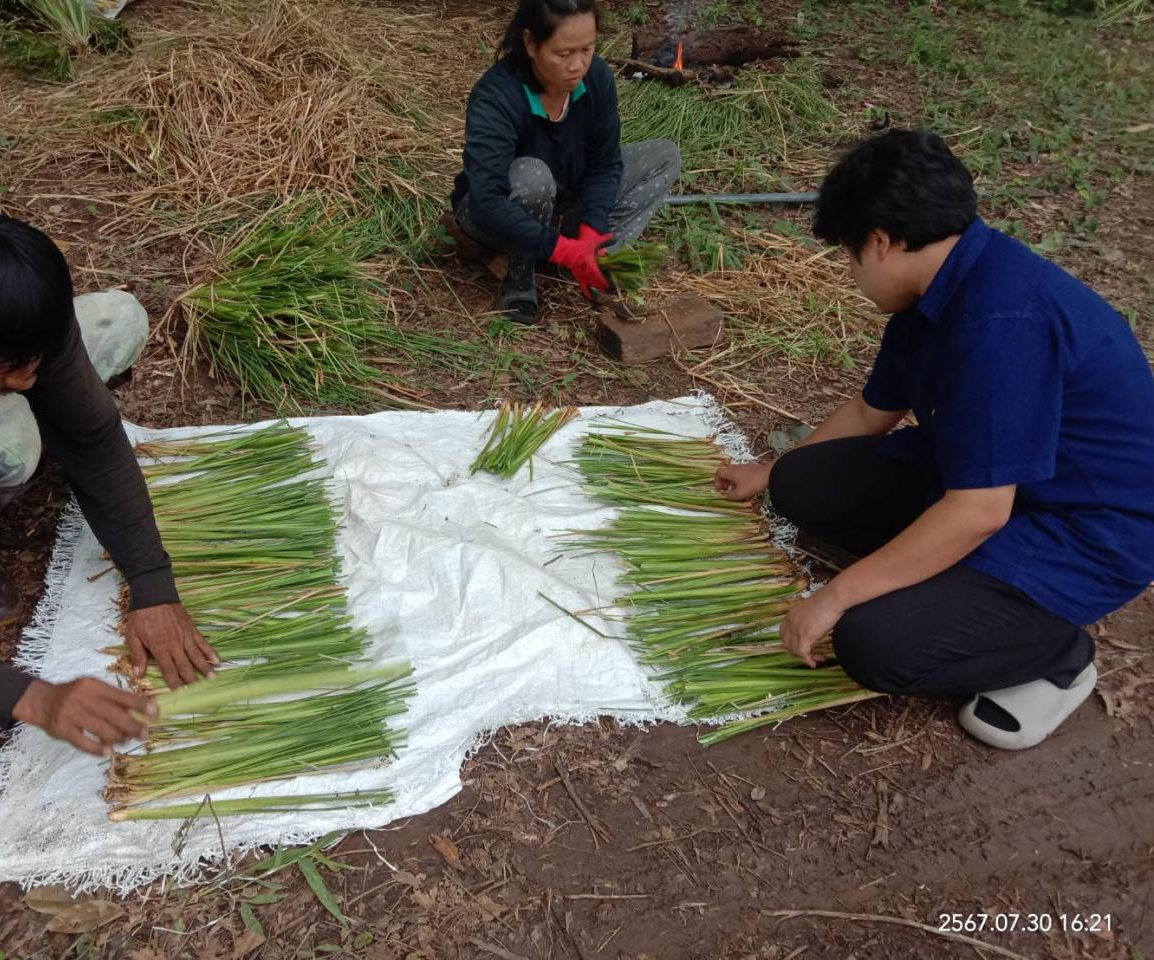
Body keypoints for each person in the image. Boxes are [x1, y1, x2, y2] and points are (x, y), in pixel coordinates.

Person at [716, 130, 1154, 750]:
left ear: (881, 242)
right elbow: (873, 410)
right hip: (990, 481)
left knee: (874, 642)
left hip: (1078, 531)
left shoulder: (1001, 322)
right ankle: (943, 576)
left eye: (849, 255)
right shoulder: (943, 285)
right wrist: (770, 468)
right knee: (801, 481)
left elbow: (980, 510)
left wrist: (835, 597)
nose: (852, 272)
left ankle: (1057, 652)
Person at [0, 215, 220, 755]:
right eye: (2, 366)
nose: (25, 382)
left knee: (117, 319)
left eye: (32, 362)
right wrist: (36, 699)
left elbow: (93, 437)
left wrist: (152, 583)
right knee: (5, 438)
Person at [450, 0, 680, 324]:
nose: (578, 65)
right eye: (563, 54)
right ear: (531, 43)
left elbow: (605, 164)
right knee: (533, 177)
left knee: (663, 156)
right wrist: (562, 249)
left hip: (564, 203)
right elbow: (488, 200)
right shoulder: (497, 96)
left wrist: (591, 229)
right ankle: (520, 280)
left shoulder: (596, 78)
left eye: (587, 49)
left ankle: (595, 261)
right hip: (496, 213)